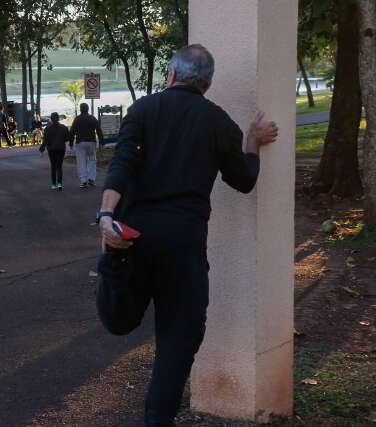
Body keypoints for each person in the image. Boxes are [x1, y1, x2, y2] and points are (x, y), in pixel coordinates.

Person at [96, 44, 278, 427]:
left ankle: (112, 266)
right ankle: (157, 420)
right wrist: (252, 142)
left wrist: (106, 214)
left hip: (134, 237)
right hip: (184, 245)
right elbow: (243, 180)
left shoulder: (143, 110)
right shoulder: (217, 122)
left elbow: (122, 165)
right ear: (207, 85)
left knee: (120, 319)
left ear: (172, 75)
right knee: (180, 339)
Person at [70, 103, 104, 188]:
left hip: (80, 142)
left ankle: (83, 181)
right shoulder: (92, 118)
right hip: (91, 142)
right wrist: (101, 141)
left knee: (81, 161)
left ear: (81, 109)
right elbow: (99, 130)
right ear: (88, 109)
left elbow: (72, 131)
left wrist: (71, 142)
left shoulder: (77, 119)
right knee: (92, 160)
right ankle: (91, 179)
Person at [40, 112, 70, 190]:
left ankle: (53, 184)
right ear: (58, 118)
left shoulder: (47, 128)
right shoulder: (63, 127)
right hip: (61, 148)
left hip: (51, 149)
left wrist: (42, 147)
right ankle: (60, 183)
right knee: (59, 166)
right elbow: (67, 138)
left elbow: (45, 139)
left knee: (53, 166)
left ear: (51, 119)